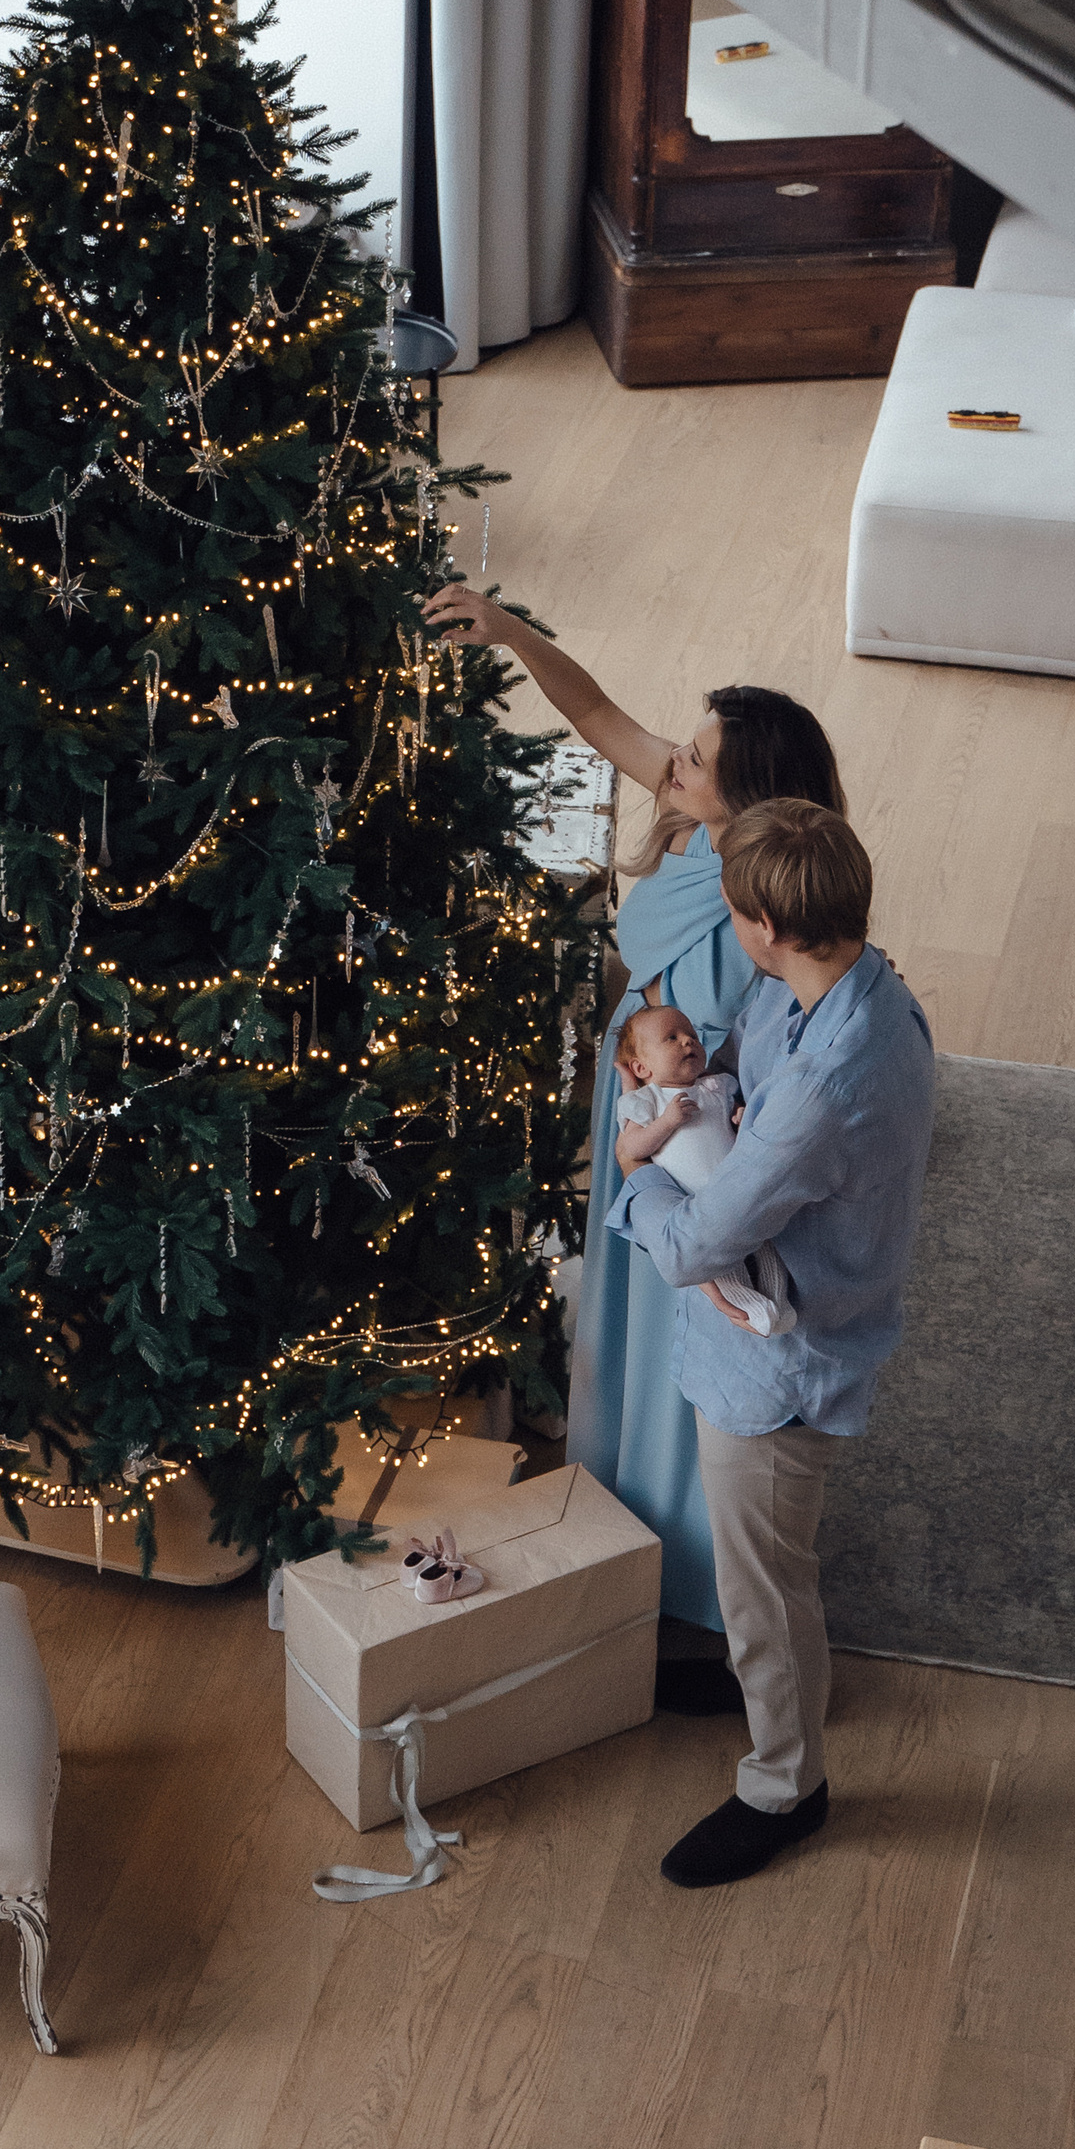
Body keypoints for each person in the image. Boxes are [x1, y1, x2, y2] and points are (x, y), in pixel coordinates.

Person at [421, 583, 844, 1689]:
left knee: (681, 1351)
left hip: (686, 1116)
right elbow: (601, 717)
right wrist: (510, 634)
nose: (674, 763)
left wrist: (708, 1104)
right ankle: (615, 1547)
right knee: (622, 1314)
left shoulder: (760, 875)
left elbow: (796, 996)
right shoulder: (704, 818)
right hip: (641, 1084)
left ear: (746, 792)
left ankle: (696, 1604)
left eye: (695, 758)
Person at [607, 798, 936, 1886]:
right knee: (762, 1567)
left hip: (781, 1365)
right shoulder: (844, 985)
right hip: (786, 1316)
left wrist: (634, 1174)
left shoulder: (824, 1087)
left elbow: (696, 1240)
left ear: (758, 923)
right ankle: (762, 1675)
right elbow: (741, 1075)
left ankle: (785, 1779)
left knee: (768, 1578)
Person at [610, 1003, 795, 1337]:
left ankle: (779, 1303)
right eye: (671, 1038)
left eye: (691, 1035)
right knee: (721, 1260)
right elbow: (632, 1148)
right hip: (697, 1204)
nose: (688, 1042)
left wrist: (740, 1119)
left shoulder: (717, 1085)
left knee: (765, 1244)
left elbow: (731, 1123)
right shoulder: (648, 1101)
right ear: (641, 1067)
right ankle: (751, 1307)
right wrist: (666, 1122)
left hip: (740, 1185)